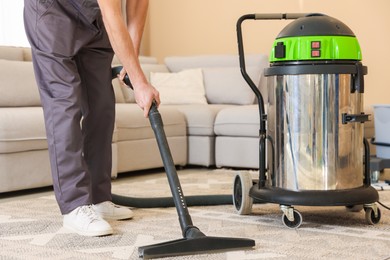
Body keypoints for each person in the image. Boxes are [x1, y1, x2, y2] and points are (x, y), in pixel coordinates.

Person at [23, 0, 160, 237]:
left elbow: (138, 4)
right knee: (64, 102)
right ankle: (74, 206)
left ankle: (98, 198)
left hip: (92, 16)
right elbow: (111, 14)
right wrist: (139, 82)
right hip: (51, 11)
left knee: (102, 103)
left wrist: (132, 60)